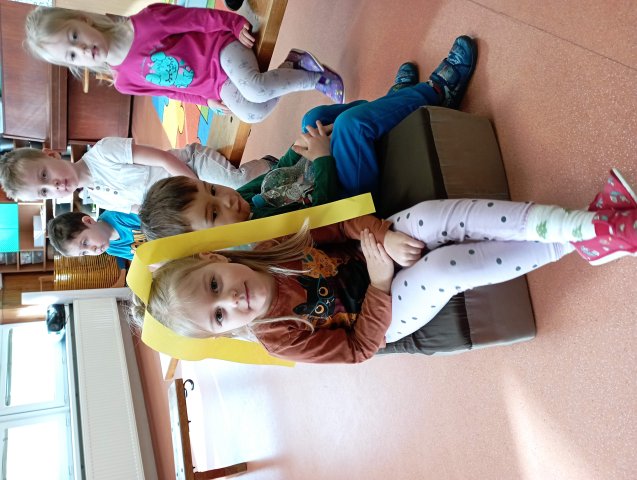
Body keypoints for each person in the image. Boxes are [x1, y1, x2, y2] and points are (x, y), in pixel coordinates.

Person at [130, 169, 637, 363]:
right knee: (444, 270)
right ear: (221, 333)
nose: (231, 299)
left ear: (215, 257)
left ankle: (583, 225)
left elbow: (340, 226)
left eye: (214, 285)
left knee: (433, 217)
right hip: (385, 311)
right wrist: (378, 286)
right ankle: (589, 235)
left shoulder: (271, 243)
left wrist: (382, 235)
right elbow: (356, 349)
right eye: (219, 315)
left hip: (378, 250)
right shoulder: (278, 337)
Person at [139, 35, 478, 239]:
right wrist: (323, 157)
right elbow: (324, 218)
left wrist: (298, 148)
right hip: (346, 208)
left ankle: (396, 105)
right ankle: (438, 92)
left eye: (212, 189)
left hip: (320, 181)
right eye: (213, 213)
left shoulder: (239, 202)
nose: (225, 199)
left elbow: (277, 174)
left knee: (312, 119)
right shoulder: (263, 235)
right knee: (351, 126)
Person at [24, 4, 344, 123]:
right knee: (252, 113)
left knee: (256, 90)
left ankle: (313, 77)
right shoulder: (123, 81)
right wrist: (206, 101)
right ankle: (293, 66)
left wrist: (232, 24)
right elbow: (171, 92)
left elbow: (197, 18)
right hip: (214, 86)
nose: (81, 49)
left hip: (220, 49)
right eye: (71, 55)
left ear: (83, 20)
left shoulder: (146, 21)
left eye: (74, 36)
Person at [0, 137, 273, 213]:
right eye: (44, 191)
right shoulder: (98, 199)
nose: (54, 185)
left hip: (192, 167)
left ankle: (269, 164)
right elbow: (139, 209)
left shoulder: (103, 152)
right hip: (187, 197)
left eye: (44, 175)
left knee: (237, 185)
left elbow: (164, 158)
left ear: (51, 155)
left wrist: (198, 187)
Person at [48, 210, 145, 260]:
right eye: (84, 253)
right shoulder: (112, 250)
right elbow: (143, 260)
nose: (92, 250)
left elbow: (154, 219)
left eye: (85, 243)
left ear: (89, 221)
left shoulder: (119, 215)